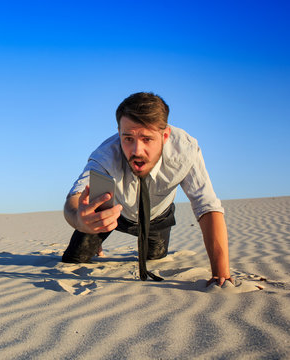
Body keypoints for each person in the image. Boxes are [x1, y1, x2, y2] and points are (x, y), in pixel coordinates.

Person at [62, 92, 232, 285]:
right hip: (112, 214)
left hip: (157, 217)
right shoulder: (105, 156)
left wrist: (221, 274)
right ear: (119, 133)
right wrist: (79, 219)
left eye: (147, 139)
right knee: (73, 259)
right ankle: (96, 240)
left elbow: (206, 206)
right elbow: (74, 198)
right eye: (127, 138)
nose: (136, 151)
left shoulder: (185, 151)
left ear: (165, 135)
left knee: (155, 257)